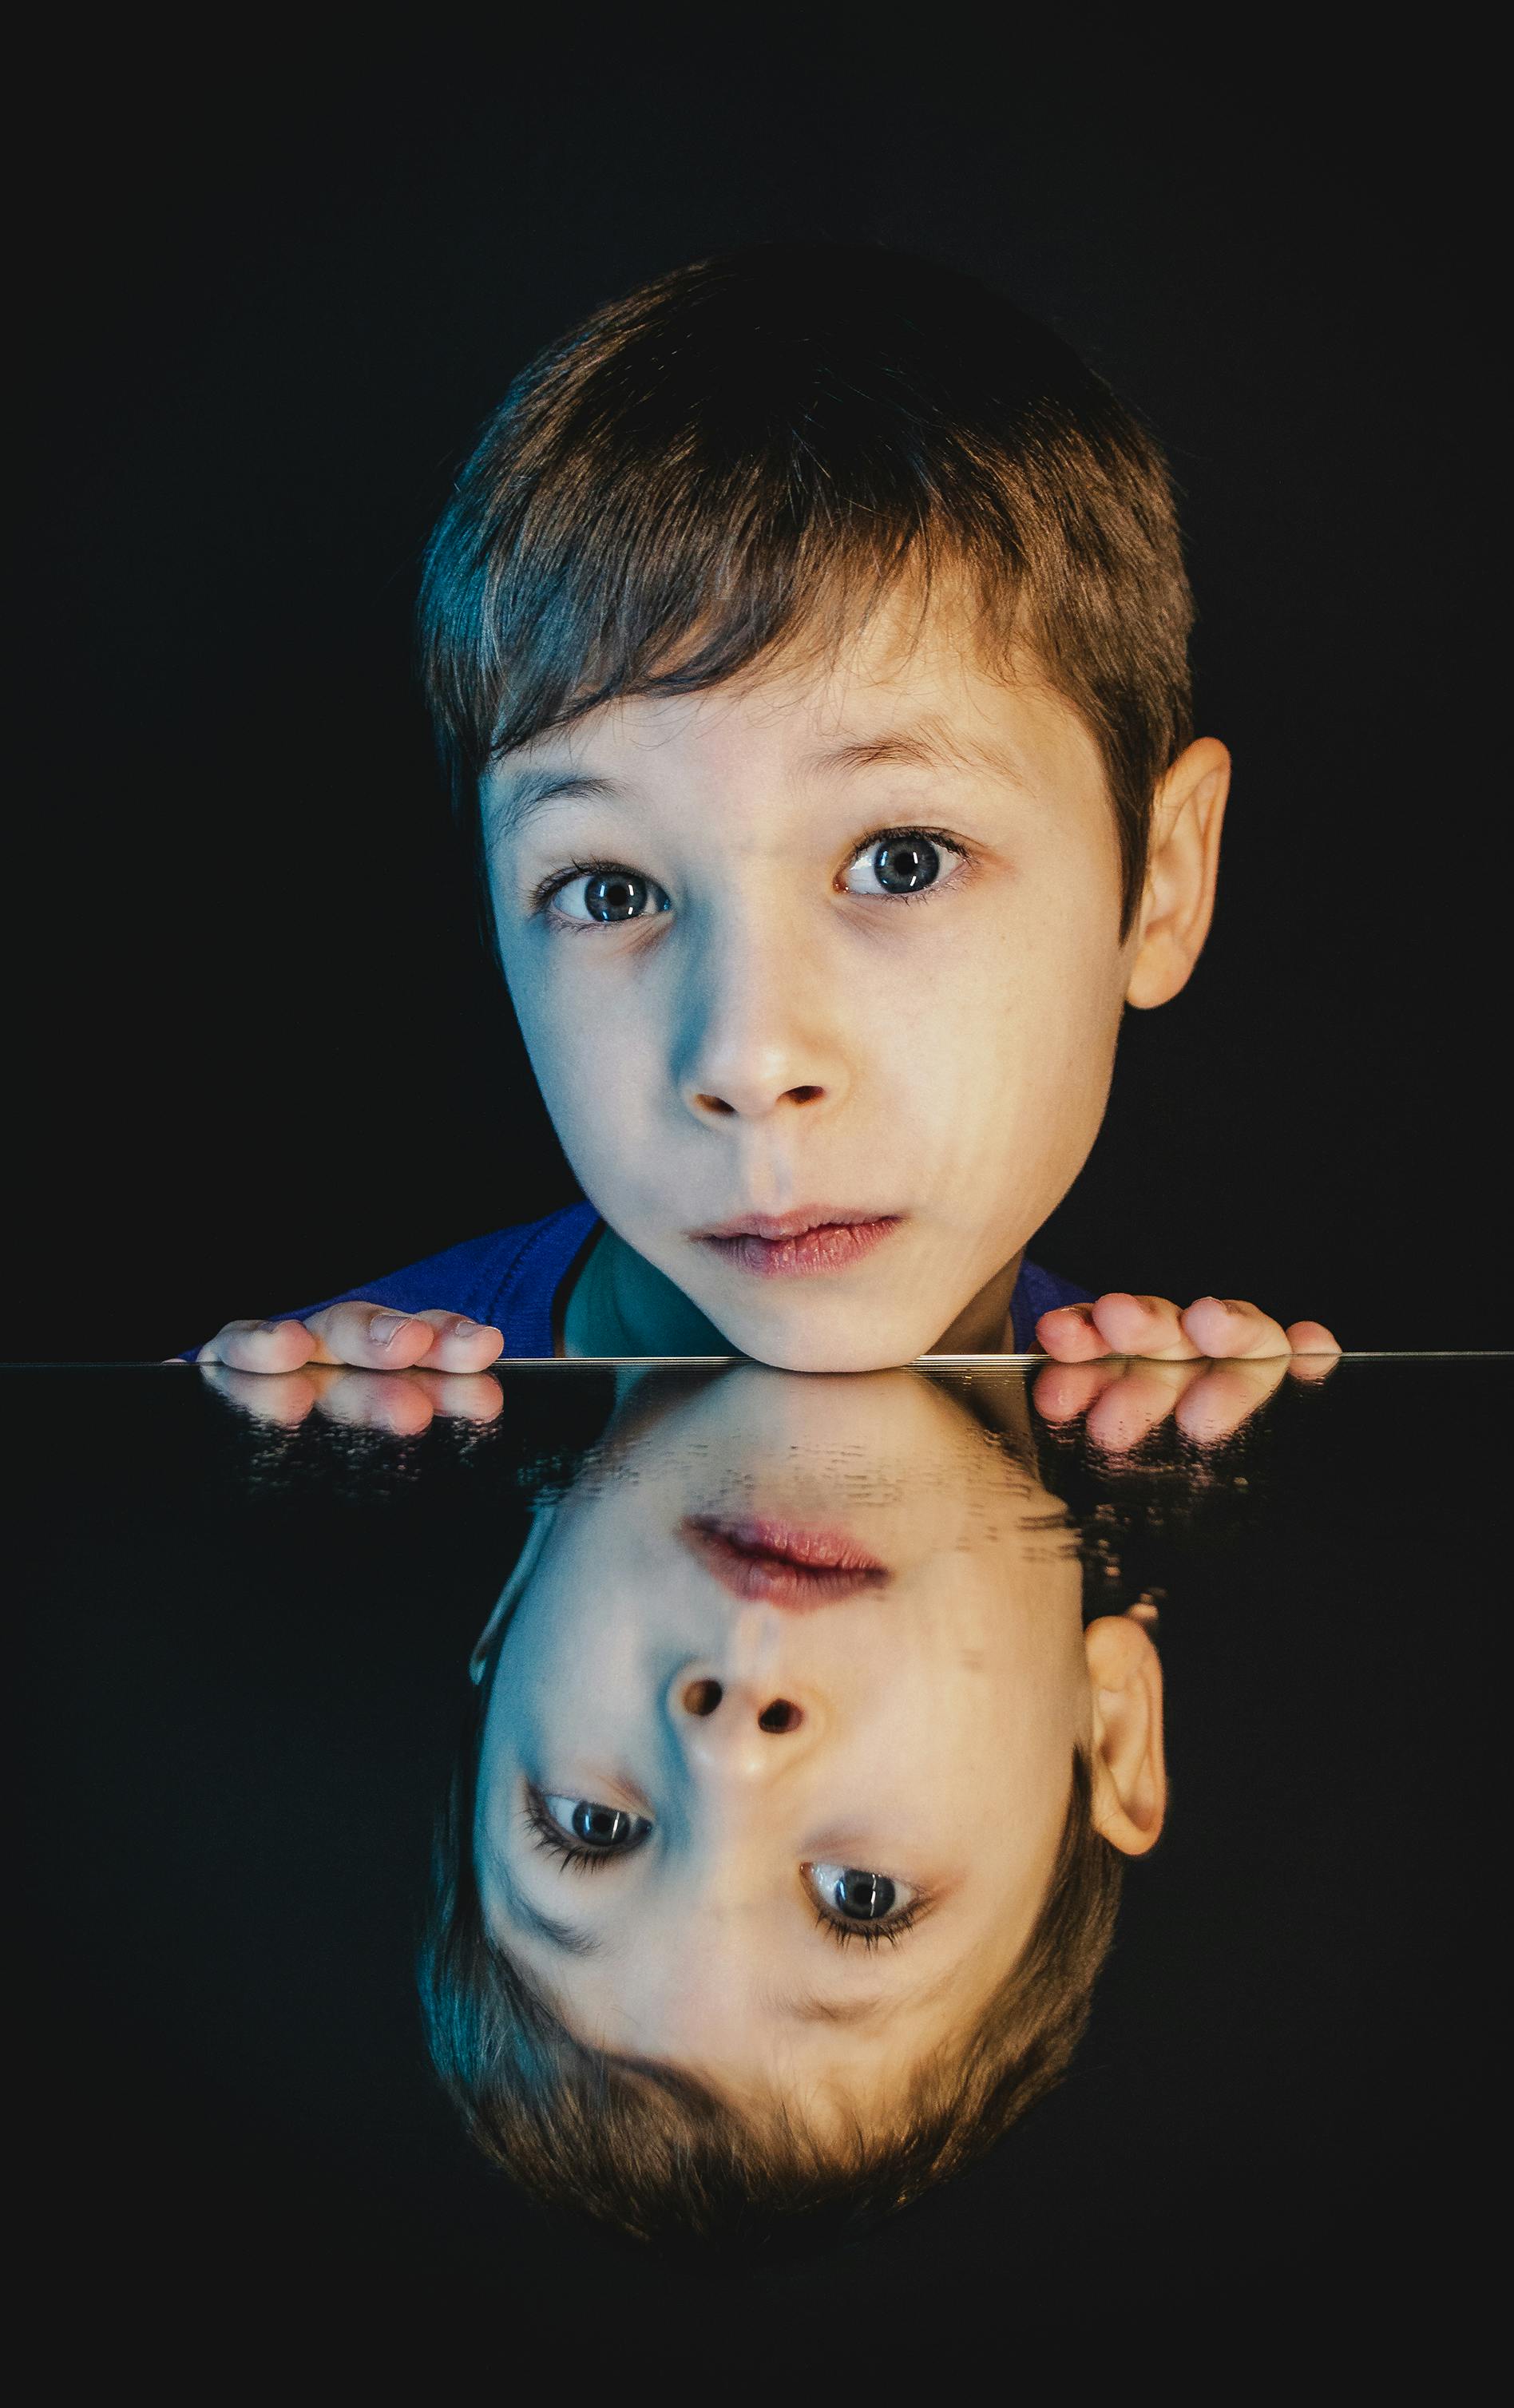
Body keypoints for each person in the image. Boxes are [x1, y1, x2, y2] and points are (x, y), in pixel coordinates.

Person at [177, 243, 1338, 1375]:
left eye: (903, 860)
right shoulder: (324, 1452)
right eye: (611, 892)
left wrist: (1195, 1554)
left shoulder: (1175, 1452)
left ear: (1163, 881)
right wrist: (307, 1544)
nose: (749, 1057)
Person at [421, 1356, 1165, 2242]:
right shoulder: (1206, 1356)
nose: (732, 1750)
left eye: (596, 1826)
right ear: (1109, 1733)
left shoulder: (363, 1356)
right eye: (861, 1894)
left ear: (508, 1612)